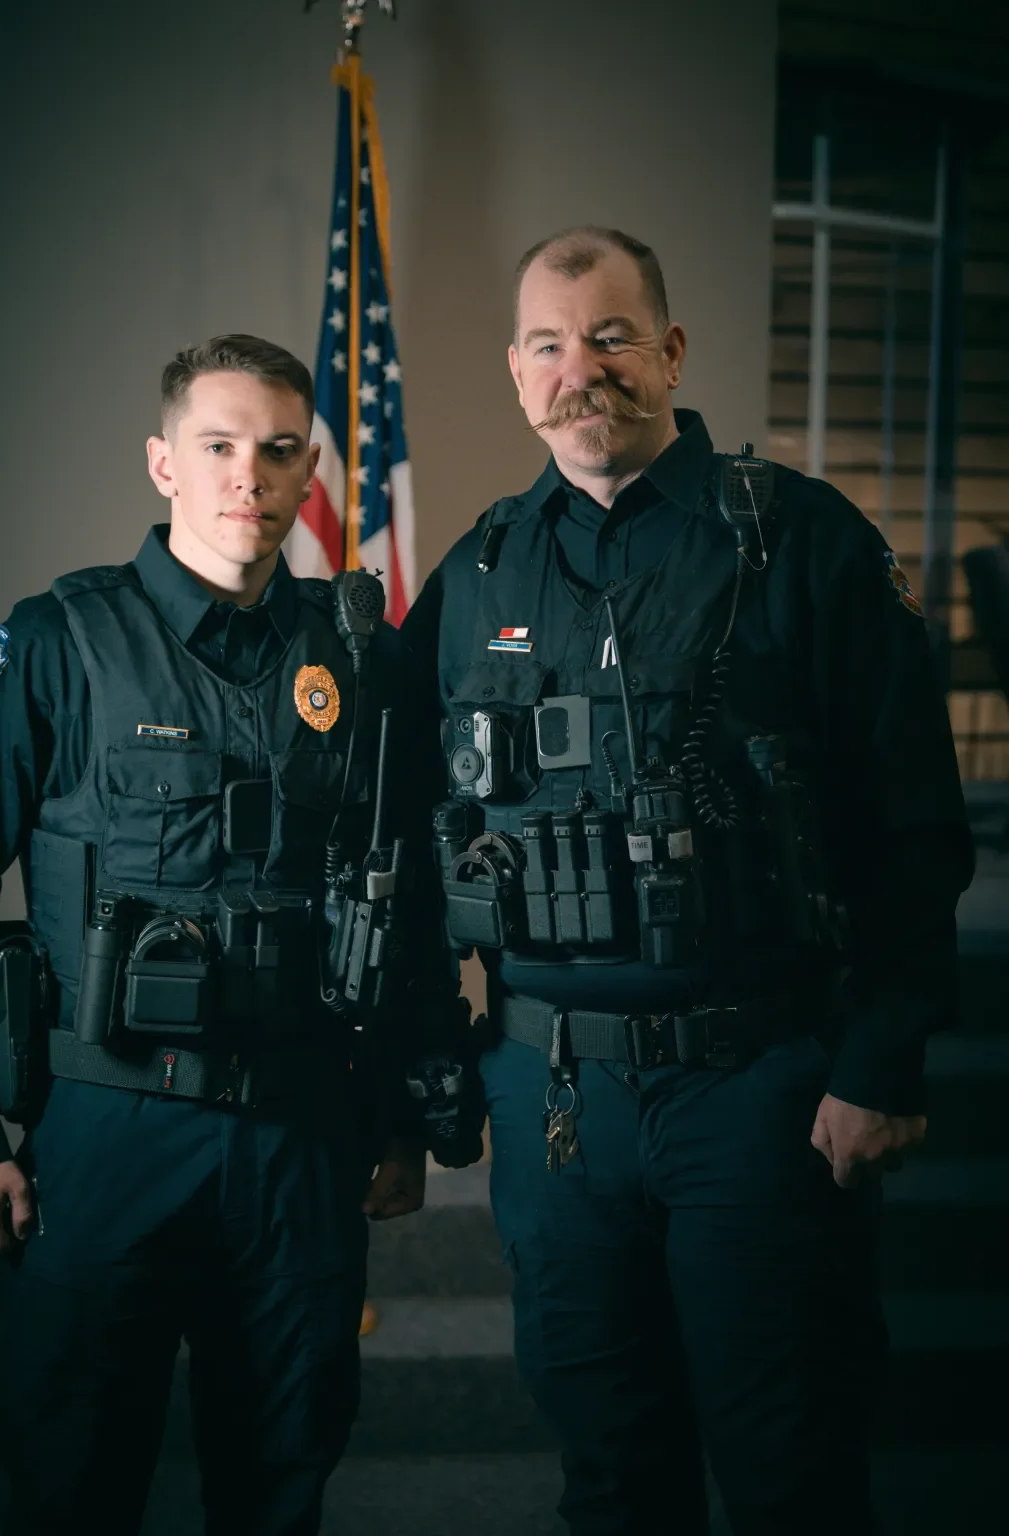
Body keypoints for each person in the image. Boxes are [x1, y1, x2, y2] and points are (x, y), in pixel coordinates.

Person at [400, 228, 974, 1535]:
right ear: (515, 373)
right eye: (549, 343)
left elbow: (914, 825)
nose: (579, 368)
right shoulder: (478, 570)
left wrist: (879, 1059)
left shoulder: (799, 541)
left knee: (790, 1462)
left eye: (609, 336)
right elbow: (407, 834)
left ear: (669, 349)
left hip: (759, 1087)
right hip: (556, 1100)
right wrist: (437, 1064)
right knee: (608, 1462)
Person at [0, 334, 434, 1536]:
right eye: (216, 446)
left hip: (300, 1135)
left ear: (310, 474)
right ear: (163, 463)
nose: (245, 476)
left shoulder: (359, 658)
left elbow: (397, 895)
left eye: (275, 450)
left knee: (280, 1477)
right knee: (75, 1475)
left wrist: (399, 1118)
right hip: (107, 1133)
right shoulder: (56, 643)